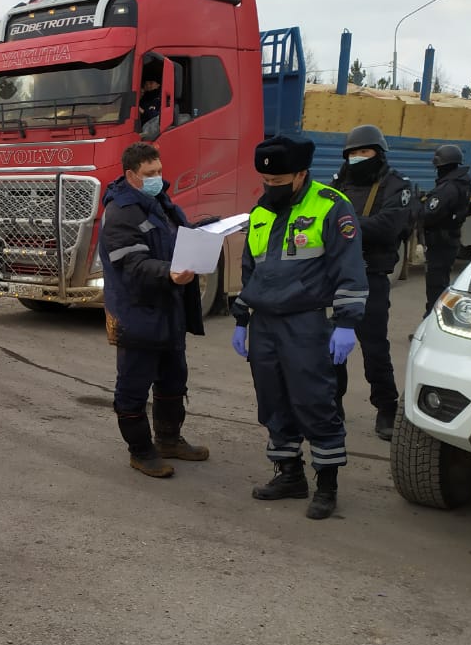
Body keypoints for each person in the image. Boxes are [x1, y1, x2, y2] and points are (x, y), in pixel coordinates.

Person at [231, 134, 368, 520]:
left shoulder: (330, 207)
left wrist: (346, 324)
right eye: (265, 182)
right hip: (265, 325)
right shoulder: (261, 211)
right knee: (273, 402)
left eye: (278, 182)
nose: (270, 188)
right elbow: (252, 271)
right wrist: (241, 317)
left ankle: (327, 485)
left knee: (315, 401)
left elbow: (350, 270)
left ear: (301, 174)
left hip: (308, 323)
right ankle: (289, 474)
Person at [100, 141, 207, 478]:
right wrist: (169, 273)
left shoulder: (160, 204)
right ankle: (141, 452)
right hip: (138, 315)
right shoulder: (120, 212)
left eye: (159, 171)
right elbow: (131, 264)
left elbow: (178, 241)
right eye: (150, 174)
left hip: (169, 311)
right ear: (131, 175)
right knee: (132, 389)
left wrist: (213, 229)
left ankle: (169, 439)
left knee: (174, 381)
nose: (157, 178)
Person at [331, 124, 412, 441]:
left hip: (371, 277)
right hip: (336, 276)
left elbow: (388, 226)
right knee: (333, 347)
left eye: (364, 152)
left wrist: (345, 225)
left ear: (378, 153)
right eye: (352, 152)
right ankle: (332, 405)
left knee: (374, 347)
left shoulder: (396, 185)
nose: (357, 158)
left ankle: (386, 407)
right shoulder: (338, 183)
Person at [420, 144, 471, 315]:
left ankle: (431, 324)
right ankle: (430, 320)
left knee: (436, 287)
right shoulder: (461, 182)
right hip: (449, 239)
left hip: (440, 242)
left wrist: (418, 206)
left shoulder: (448, 187)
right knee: (439, 284)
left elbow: (429, 214)